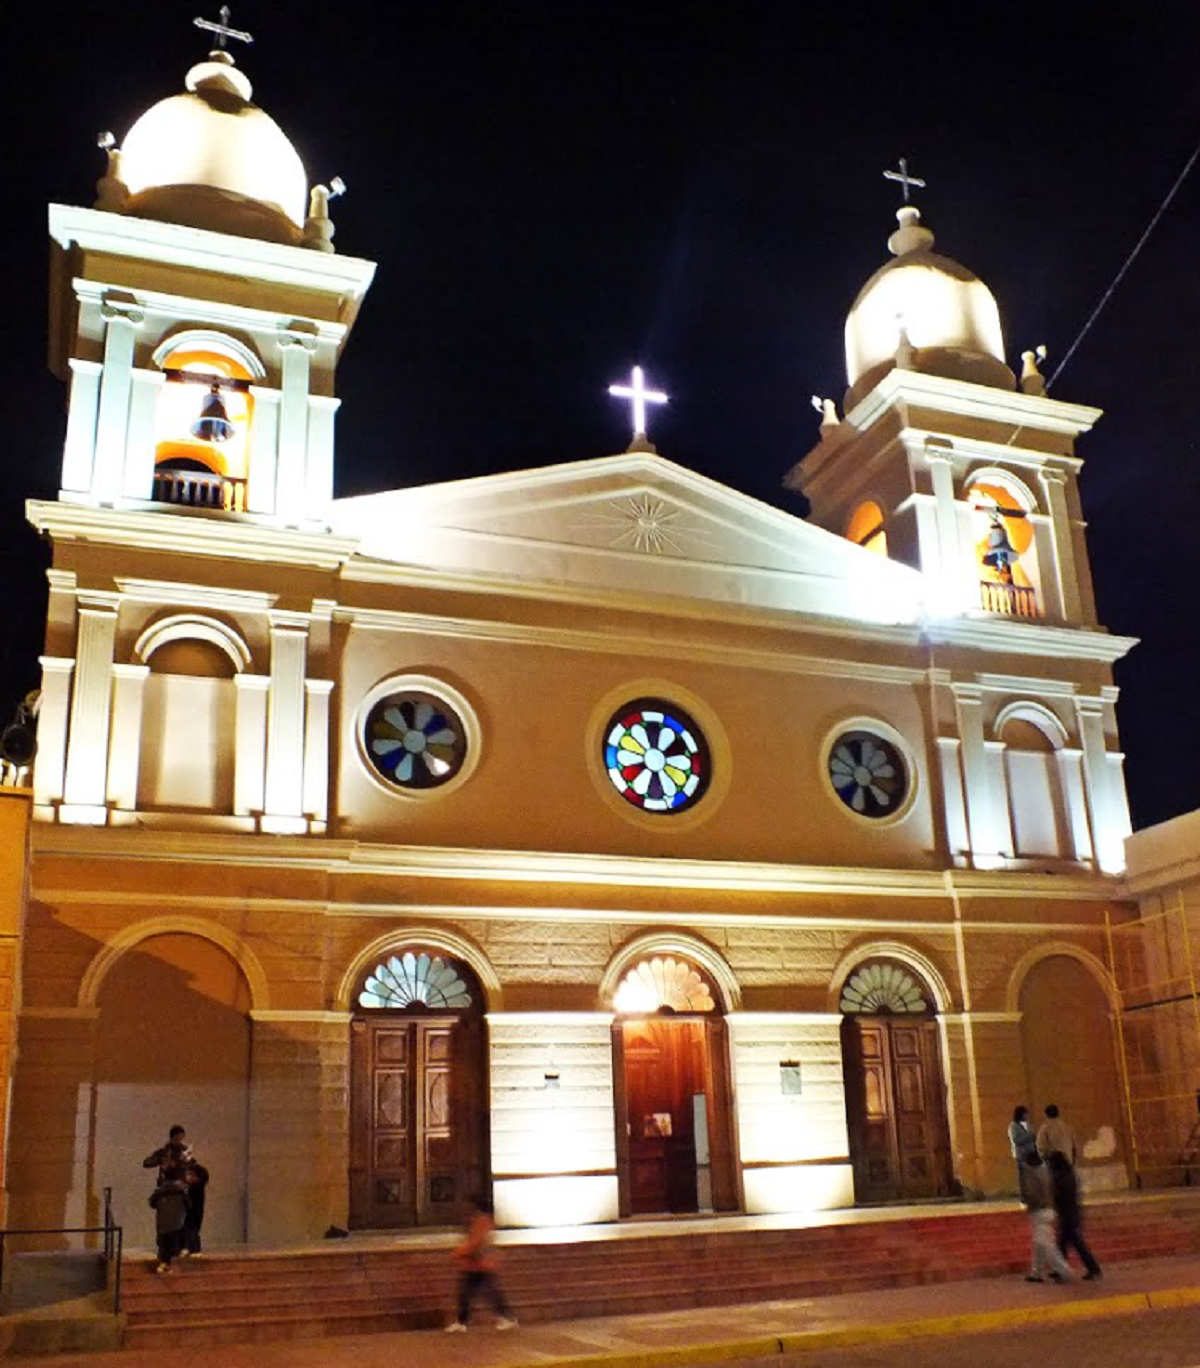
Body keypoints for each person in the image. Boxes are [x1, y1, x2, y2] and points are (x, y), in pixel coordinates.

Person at [445, 1197, 517, 1333]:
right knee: (468, 1293)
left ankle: (506, 1317)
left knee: (488, 1293)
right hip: (474, 1265)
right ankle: (462, 1321)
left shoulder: (481, 1222)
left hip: (481, 1265)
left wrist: (456, 1253)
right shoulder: (475, 1222)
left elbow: (475, 1243)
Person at [1049, 1150, 1102, 1280]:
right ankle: (1061, 1270)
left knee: (1074, 1244)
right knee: (1064, 1244)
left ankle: (1092, 1269)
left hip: (1067, 1215)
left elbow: (1059, 1196)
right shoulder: (1069, 1173)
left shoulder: (1059, 1177)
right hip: (1072, 1213)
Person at [1021, 1151, 1071, 1284]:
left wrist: (1027, 1203)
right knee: (1039, 1244)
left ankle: (1064, 1271)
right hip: (1048, 1210)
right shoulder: (1046, 1172)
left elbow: (1032, 1194)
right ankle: (1036, 1272)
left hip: (1040, 1212)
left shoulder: (1032, 1174)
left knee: (1046, 1244)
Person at [149, 1163, 190, 1275]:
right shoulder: (181, 1191)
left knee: (164, 1244)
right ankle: (169, 1265)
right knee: (173, 1244)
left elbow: (152, 1203)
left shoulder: (160, 1191)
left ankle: (163, 1263)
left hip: (163, 1222)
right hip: (177, 1222)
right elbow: (188, 1205)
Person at [1008, 1105, 1038, 1199]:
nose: (1027, 1115)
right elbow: (1016, 1140)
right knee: (1023, 1177)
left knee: (1032, 1176)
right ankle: (1024, 1195)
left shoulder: (1028, 1125)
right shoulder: (1013, 1126)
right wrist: (1029, 1136)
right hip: (1021, 1155)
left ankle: (1032, 1194)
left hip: (1031, 1153)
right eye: (1025, 1114)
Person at [180, 1160, 209, 1258]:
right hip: (190, 1213)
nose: (189, 1177)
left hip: (193, 1214)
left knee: (192, 1231)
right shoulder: (192, 1187)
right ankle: (188, 1248)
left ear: (199, 1177)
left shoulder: (196, 1188)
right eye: (188, 1175)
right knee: (187, 1231)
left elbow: (189, 1201)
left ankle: (195, 1249)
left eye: (192, 1175)